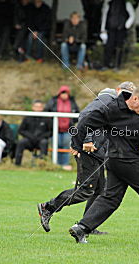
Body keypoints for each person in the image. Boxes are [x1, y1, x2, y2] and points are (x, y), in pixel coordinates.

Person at [68, 86, 139, 247]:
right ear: (134, 99)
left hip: (118, 159)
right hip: (124, 159)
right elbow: (84, 123)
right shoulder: (111, 109)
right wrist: (77, 145)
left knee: (111, 198)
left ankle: (81, 227)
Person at [37, 87, 124, 234]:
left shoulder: (112, 104)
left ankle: (86, 226)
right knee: (85, 191)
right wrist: (87, 139)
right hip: (88, 152)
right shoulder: (107, 99)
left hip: (97, 153)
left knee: (100, 191)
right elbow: (85, 115)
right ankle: (48, 206)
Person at [44, 86, 79, 170]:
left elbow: (77, 114)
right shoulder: (53, 101)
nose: (64, 95)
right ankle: (56, 164)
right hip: (55, 129)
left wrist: (72, 122)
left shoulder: (72, 102)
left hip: (68, 129)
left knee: (66, 147)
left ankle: (65, 165)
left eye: (66, 93)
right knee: (56, 146)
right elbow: (47, 112)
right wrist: (50, 123)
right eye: (63, 93)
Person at [100, 0, 135, 70]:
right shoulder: (109, 4)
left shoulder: (126, 4)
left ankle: (117, 65)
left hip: (121, 29)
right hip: (110, 29)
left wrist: (126, 25)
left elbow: (132, 16)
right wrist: (103, 29)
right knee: (108, 47)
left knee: (119, 47)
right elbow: (105, 16)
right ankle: (106, 64)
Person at [14, 100, 52, 166]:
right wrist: (30, 136)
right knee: (21, 142)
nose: (38, 108)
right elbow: (21, 130)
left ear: (42, 108)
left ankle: (42, 164)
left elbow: (50, 132)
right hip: (29, 140)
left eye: (40, 107)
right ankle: (17, 164)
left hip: (41, 140)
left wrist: (41, 137)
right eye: (36, 107)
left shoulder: (47, 118)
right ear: (33, 107)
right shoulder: (27, 117)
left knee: (44, 142)